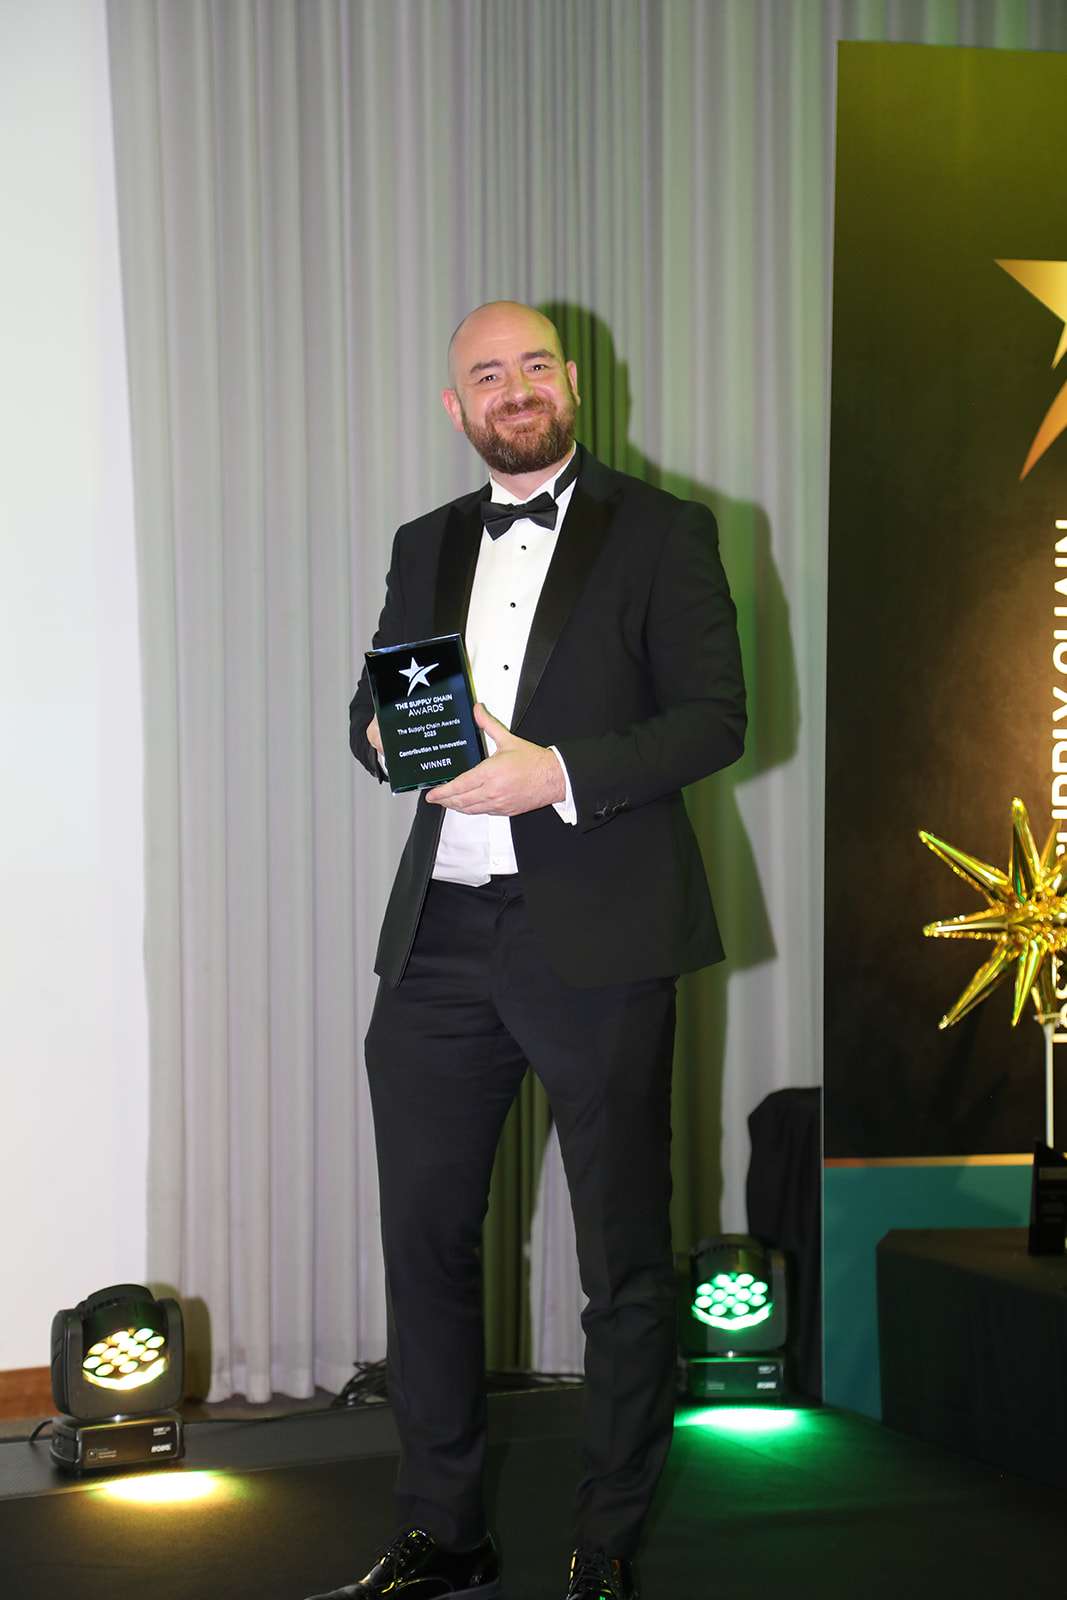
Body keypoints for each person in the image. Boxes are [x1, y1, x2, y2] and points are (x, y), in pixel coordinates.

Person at [308, 302, 745, 1600]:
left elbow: (716, 721)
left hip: (600, 937)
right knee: (426, 1244)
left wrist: (554, 772)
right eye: (487, 375)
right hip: (440, 936)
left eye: (535, 367)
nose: (516, 389)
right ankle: (444, 1529)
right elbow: (380, 701)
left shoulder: (664, 530)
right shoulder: (424, 542)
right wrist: (378, 736)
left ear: (573, 383)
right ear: (457, 407)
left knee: (623, 1261)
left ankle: (605, 1542)